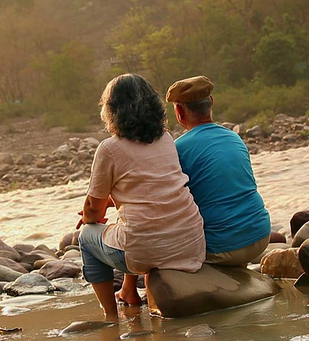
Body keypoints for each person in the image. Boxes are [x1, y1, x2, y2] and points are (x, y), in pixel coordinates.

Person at [78, 73, 205, 321]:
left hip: (146, 250)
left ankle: (110, 315)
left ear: (112, 110)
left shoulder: (110, 148)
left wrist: (89, 218)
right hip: (190, 241)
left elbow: (93, 207)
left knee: (86, 237)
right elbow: (149, 193)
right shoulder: (166, 139)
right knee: (130, 222)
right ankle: (129, 292)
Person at [166, 75, 271, 266]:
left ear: (179, 111)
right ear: (211, 102)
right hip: (261, 235)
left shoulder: (178, 149)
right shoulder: (233, 137)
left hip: (223, 247)